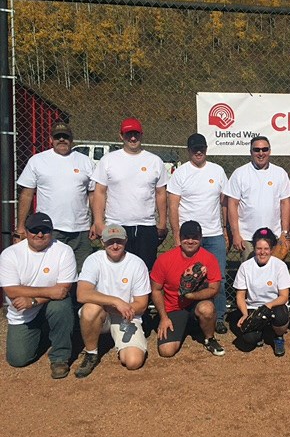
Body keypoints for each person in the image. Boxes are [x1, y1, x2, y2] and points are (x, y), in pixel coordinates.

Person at [0, 212, 76, 379]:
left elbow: (63, 289)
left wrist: (33, 300)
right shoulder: (10, 254)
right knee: (18, 359)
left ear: (52, 231)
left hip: (46, 304)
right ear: (26, 232)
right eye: (35, 230)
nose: (40, 234)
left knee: (61, 305)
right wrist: (49, 291)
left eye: (45, 230)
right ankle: (44, 332)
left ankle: (60, 357)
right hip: (23, 313)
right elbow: (11, 290)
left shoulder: (64, 251)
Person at [168, 133, 229, 334]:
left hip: (213, 234)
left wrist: (226, 229)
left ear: (206, 149)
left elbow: (224, 203)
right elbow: (173, 206)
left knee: (217, 278)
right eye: (194, 148)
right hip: (190, 238)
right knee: (187, 278)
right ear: (189, 150)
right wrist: (177, 236)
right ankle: (186, 315)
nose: (198, 152)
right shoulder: (181, 173)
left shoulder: (217, 171)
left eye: (201, 148)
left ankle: (218, 316)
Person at [91, 118, 169, 271]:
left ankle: (143, 296)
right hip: (116, 224)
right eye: (128, 134)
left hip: (146, 226)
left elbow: (161, 193)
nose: (133, 138)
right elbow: (99, 192)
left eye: (136, 134)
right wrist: (98, 221)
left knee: (145, 271)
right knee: (117, 270)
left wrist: (162, 222)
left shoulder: (154, 161)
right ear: (121, 136)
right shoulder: (108, 160)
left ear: (141, 134)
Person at [74, 224, 151, 378]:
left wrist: (121, 308)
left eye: (119, 241)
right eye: (110, 242)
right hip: (102, 312)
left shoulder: (136, 263)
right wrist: (116, 301)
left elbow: (141, 304)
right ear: (103, 242)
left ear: (126, 241)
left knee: (133, 362)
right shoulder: (94, 260)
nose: (115, 246)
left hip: (126, 316)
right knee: (90, 309)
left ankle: (120, 343)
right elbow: (82, 294)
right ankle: (91, 353)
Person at [16, 121, 94, 270]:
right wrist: (20, 227)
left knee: (81, 271)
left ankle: (76, 294)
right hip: (48, 229)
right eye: (58, 137)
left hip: (80, 229)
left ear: (72, 140)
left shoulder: (85, 162)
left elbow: (93, 194)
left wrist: (96, 222)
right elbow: (27, 194)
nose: (62, 140)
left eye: (66, 136)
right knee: (49, 269)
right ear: (51, 140)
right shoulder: (37, 161)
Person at [150, 221, 225, 357]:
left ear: (201, 238)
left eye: (195, 237)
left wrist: (190, 296)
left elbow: (214, 289)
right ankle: (185, 327)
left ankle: (210, 339)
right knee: (166, 352)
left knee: (207, 308)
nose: (190, 241)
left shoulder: (209, 258)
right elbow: (156, 290)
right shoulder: (165, 259)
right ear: (179, 237)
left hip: (196, 305)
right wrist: (164, 317)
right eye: (186, 237)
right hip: (174, 308)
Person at [224, 135, 290, 261]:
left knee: (273, 276)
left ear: (270, 151)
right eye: (256, 150)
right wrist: (236, 234)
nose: (261, 153)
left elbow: (285, 203)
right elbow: (232, 204)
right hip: (247, 237)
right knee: (250, 276)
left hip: (274, 237)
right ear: (251, 152)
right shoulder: (240, 173)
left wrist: (284, 233)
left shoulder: (280, 173)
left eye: (264, 149)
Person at [233, 227, 290, 357]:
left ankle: (278, 336)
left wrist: (268, 306)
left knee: (281, 315)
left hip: (273, 307)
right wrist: (244, 315)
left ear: (271, 250)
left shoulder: (279, 266)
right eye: (259, 249)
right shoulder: (246, 267)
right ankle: (259, 333)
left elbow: (284, 296)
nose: (262, 252)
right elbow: (240, 295)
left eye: (266, 249)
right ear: (254, 249)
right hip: (253, 308)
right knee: (249, 339)